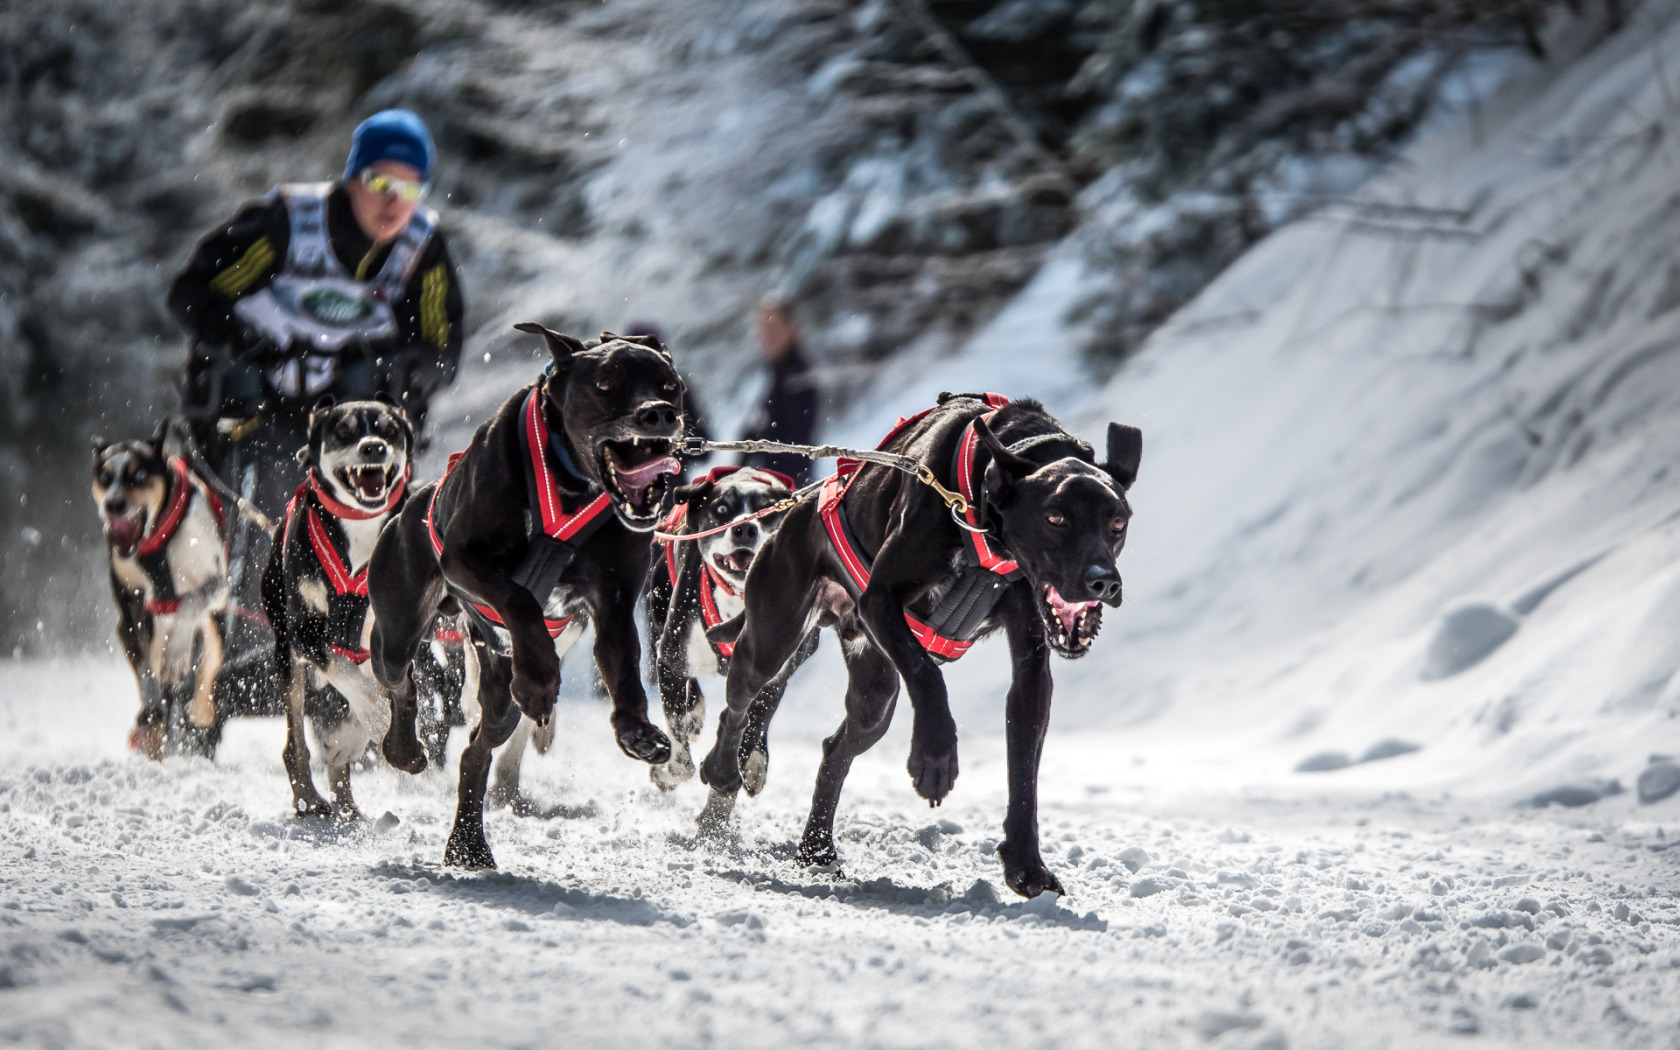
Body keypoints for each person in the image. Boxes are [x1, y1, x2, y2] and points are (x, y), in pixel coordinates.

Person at [169, 109, 464, 521]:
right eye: (380, 182)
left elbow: (442, 351)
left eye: (411, 188)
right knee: (268, 467)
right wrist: (239, 338)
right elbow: (191, 293)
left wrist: (392, 367)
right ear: (352, 178)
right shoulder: (288, 223)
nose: (394, 202)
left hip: (347, 415)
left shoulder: (423, 252)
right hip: (257, 403)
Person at [739, 296, 818, 484]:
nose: (767, 337)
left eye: (773, 328)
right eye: (763, 330)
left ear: (791, 328)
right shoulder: (775, 374)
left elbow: (794, 443)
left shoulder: (798, 375)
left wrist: (759, 443)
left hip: (790, 486)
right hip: (774, 482)